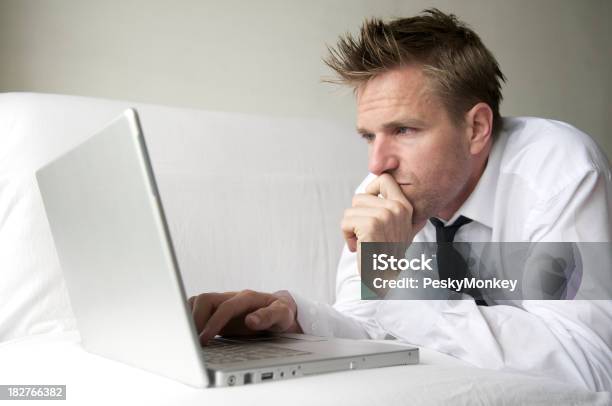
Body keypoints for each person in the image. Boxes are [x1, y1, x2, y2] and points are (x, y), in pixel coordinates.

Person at [188, 9, 612, 391]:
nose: (377, 162)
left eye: (404, 130)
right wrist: (295, 318)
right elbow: (374, 320)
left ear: (477, 128)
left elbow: (590, 363)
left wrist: (397, 283)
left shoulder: (559, 170)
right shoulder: (385, 193)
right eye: (369, 136)